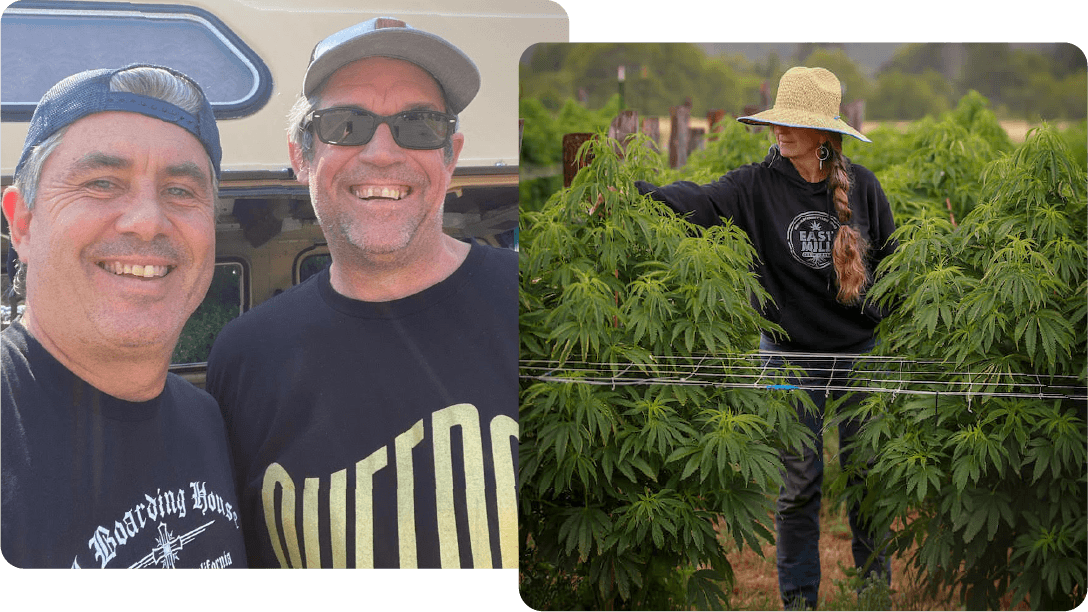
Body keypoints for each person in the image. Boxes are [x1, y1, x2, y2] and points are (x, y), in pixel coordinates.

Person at [205, 17, 517, 569]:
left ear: (450, 156)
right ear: (301, 158)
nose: (381, 152)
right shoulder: (245, 357)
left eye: (419, 124)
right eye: (346, 124)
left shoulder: (544, 302)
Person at [635, 66, 896, 609]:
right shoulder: (754, 185)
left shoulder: (864, 187)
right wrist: (637, 197)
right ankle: (799, 599)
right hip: (788, 358)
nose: (780, 129)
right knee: (799, 485)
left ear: (823, 133)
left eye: (794, 121)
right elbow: (698, 200)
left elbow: (893, 264)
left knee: (867, 476)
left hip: (859, 354)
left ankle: (874, 593)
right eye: (779, 119)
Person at [1, 65, 246, 569]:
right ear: (23, 223)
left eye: (181, 191)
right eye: (102, 183)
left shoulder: (205, 420)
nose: (148, 221)